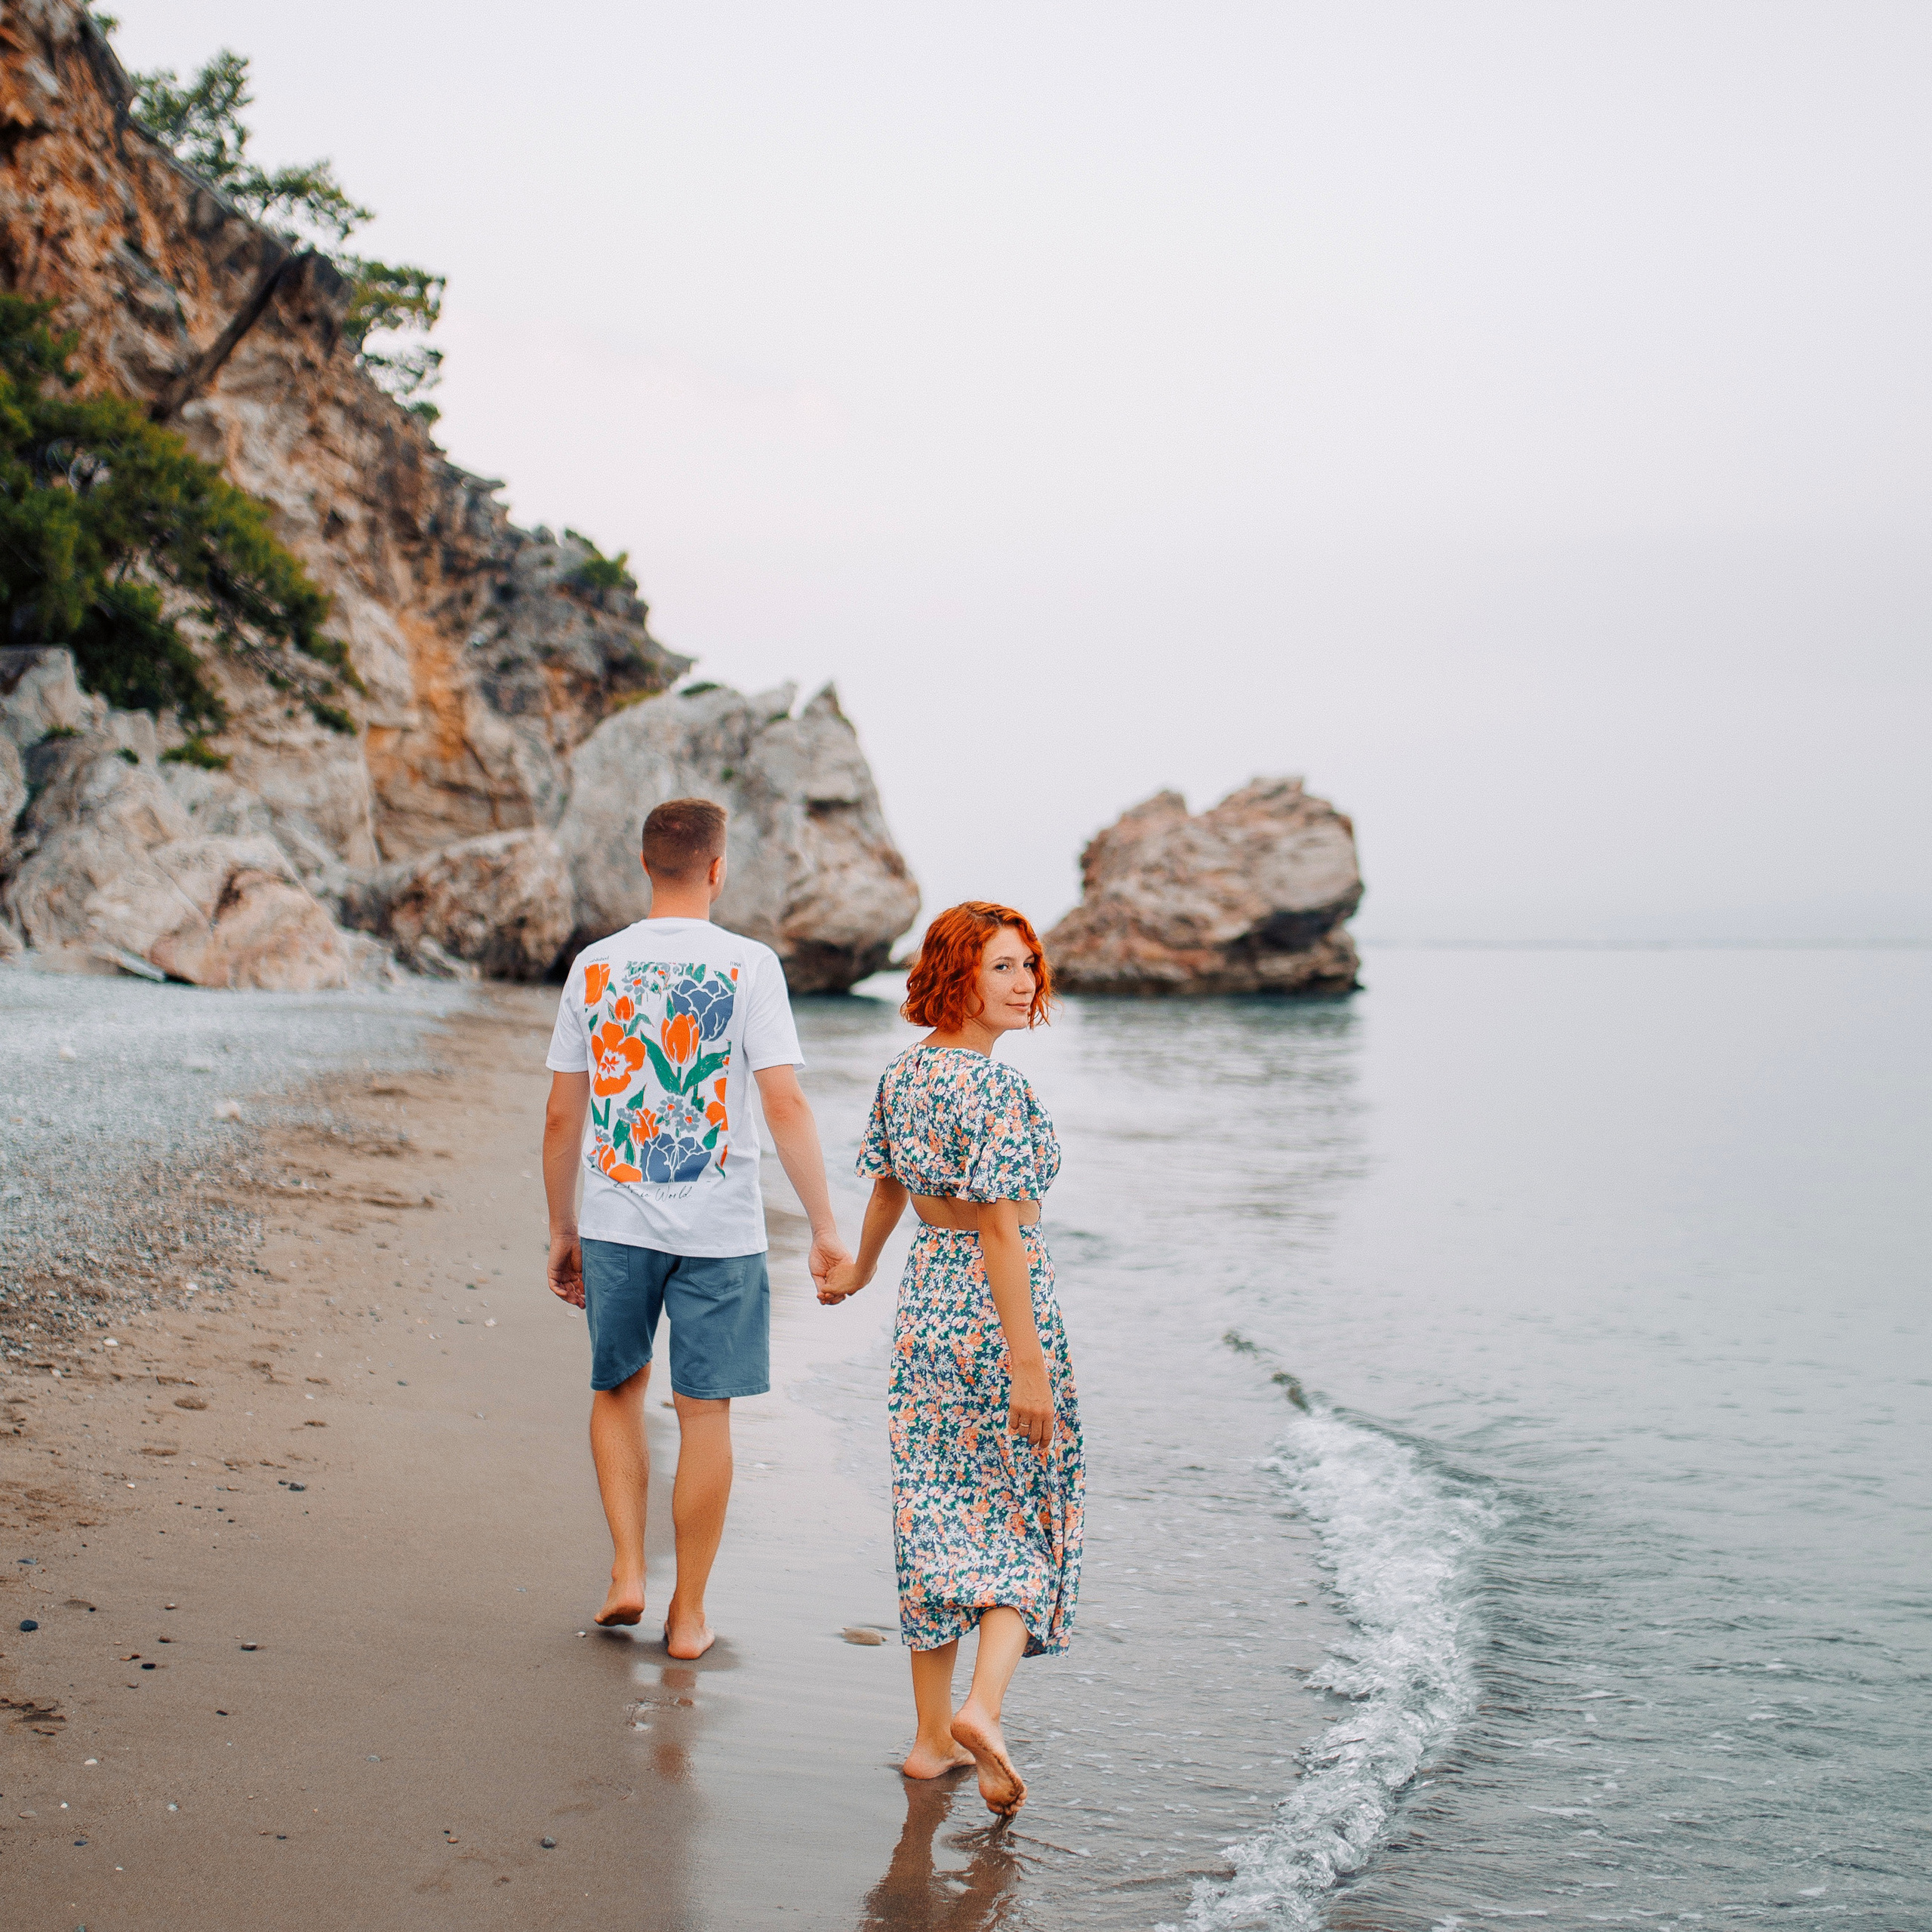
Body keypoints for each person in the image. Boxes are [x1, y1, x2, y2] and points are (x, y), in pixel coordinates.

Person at [542, 796, 849, 1657]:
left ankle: (627, 1573)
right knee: (703, 1409)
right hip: (720, 1228)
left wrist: (562, 1229)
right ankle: (687, 1615)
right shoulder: (750, 965)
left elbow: (563, 1119)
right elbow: (783, 1101)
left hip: (613, 1219)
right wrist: (826, 1225)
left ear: (645, 866)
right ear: (718, 868)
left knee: (618, 1390)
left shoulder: (595, 967)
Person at [820, 903, 1084, 1819]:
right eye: (1003, 967)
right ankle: (982, 1707)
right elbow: (1004, 1234)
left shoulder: (904, 1074)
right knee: (1020, 1515)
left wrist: (858, 1271)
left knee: (933, 1512)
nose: (1024, 984)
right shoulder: (997, 1091)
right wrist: (1028, 1365)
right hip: (996, 1307)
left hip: (926, 1303)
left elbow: (890, 1184)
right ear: (957, 974)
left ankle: (932, 1742)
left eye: (1029, 967)